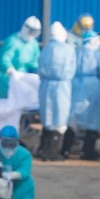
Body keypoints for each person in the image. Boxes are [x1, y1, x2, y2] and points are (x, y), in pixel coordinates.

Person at [36, 22, 76, 162]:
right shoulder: (68, 50)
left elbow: (39, 68)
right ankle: (53, 152)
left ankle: (44, 149)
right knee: (59, 119)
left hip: (46, 86)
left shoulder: (46, 49)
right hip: (62, 87)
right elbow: (71, 69)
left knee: (48, 117)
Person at [64, 34, 100, 161]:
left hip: (76, 85)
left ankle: (65, 149)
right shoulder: (96, 55)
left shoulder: (76, 52)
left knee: (73, 117)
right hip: (92, 86)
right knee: (92, 119)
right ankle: (87, 151)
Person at [0, 16, 42, 98]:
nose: (31, 36)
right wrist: (10, 69)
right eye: (31, 32)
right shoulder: (12, 41)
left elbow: (36, 62)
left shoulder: (33, 44)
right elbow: (4, 59)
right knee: (9, 103)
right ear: (25, 28)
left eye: (34, 34)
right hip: (8, 78)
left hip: (23, 78)